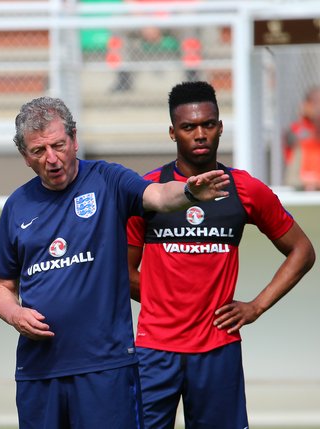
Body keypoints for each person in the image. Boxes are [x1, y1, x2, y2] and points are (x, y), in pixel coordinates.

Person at [0, 96, 231, 428]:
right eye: (39, 151)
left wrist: (188, 193)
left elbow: (158, 195)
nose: (52, 158)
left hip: (105, 367)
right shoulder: (17, 205)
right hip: (39, 371)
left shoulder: (107, 180)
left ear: (74, 140)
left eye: (59, 145)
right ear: (25, 157)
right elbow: (3, 287)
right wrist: (15, 313)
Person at [126, 81, 316, 428]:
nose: (200, 134)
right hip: (155, 349)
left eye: (208, 124)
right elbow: (122, 271)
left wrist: (256, 306)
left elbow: (302, 251)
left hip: (218, 348)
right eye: (188, 127)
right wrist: (165, 301)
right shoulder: (148, 191)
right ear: (172, 132)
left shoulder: (247, 190)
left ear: (220, 127)